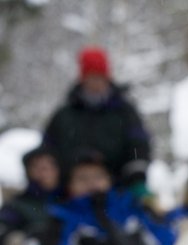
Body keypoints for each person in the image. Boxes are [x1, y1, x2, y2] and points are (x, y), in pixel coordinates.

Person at [35, 150, 173, 245]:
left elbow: (167, 243)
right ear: (70, 185)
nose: (92, 184)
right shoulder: (63, 217)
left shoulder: (132, 208)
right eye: (83, 179)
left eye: (98, 177)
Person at [42, 46, 152, 195]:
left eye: (100, 77)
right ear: (83, 79)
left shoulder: (125, 112)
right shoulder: (64, 115)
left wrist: (137, 177)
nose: (96, 83)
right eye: (91, 77)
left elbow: (138, 144)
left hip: (118, 189)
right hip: (71, 194)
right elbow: (48, 150)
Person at [0, 145, 62, 245]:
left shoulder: (73, 198)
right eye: (37, 167)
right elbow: (4, 231)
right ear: (28, 172)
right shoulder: (18, 205)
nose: (44, 172)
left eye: (49, 165)